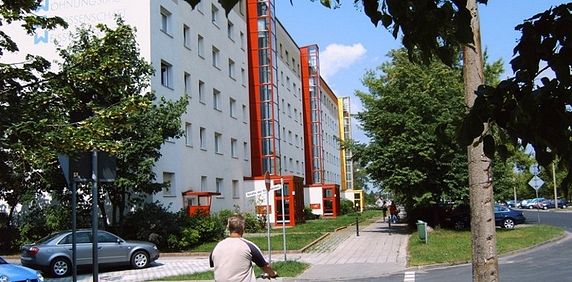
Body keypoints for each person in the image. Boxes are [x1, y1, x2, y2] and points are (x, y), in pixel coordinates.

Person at [210, 214, 278, 281]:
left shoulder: (217, 247)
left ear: (228, 228)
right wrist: (273, 274)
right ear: (243, 228)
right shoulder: (248, 246)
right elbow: (265, 267)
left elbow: (214, 265)